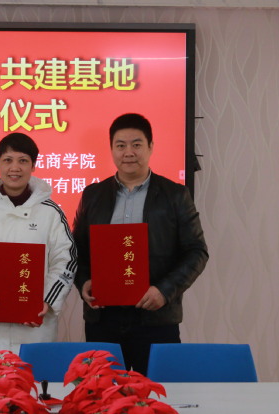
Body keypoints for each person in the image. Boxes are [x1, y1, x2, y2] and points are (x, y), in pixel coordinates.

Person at [72, 113, 208, 374]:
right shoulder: (93, 195)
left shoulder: (175, 195)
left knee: (159, 391)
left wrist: (164, 291)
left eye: (136, 144)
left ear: (150, 146)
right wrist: (84, 281)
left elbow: (196, 252)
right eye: (120, 145)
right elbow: (77, 250)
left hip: (156, 316)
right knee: (103, 393)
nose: (128, 152)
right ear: (111, 149)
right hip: (104, 318)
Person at [0, 132, 77, 356]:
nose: (15, 168)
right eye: (8, 160)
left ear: (33, 166)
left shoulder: (51, 213)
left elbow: (66, 259)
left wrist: (47, 300)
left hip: (35, 324)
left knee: (34, 377)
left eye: (23, 160)